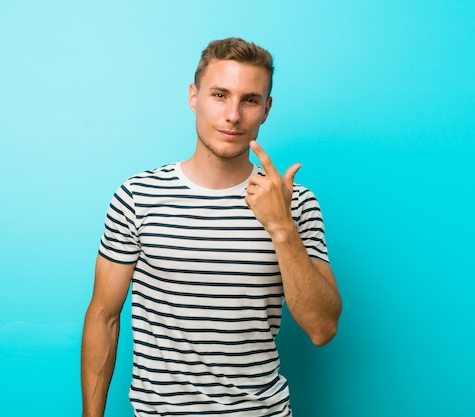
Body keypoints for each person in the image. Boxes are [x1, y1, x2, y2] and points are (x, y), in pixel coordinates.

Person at [81, 37, 342, 417]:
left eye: (249, 100)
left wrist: (281, 228)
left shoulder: (295, 203)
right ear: (193, 97)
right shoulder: (138, 196)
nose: (233, 115)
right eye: (220, 95)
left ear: (266, 109)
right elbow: (104, 315)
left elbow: (323, 329)